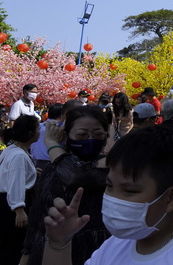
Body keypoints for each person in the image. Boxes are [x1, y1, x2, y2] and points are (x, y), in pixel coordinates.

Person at [41, 125, 173, 265]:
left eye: (129, 191)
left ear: (171, 198)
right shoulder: (115, 245)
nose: (114, 198)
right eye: (109, 186)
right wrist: (59, 243)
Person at [22, 106, 110, 265]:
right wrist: (26, 254)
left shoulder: (112, 167)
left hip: (95, 249)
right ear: (67, 136)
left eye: (98, 134)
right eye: (82, 134)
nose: (90, 139)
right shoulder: (52, 169)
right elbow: (37, 214)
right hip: (47, 248)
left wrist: (52, 144)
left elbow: (76, 175)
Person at [0, 115, 40, 265]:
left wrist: (31, 172)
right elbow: (15, 182)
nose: (39, 131)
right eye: (37, 128)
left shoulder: (13, 149)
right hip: (13, 205)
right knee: (14, 246)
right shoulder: (18, 156)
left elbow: (7, 172)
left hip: (6, 202)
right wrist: (19, 210)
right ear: (30, 134)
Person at [30, 103, 62, 170]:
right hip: (53, 164)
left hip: (37, 164)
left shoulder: (38, 127)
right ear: (62, 115)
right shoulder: (58, 128)